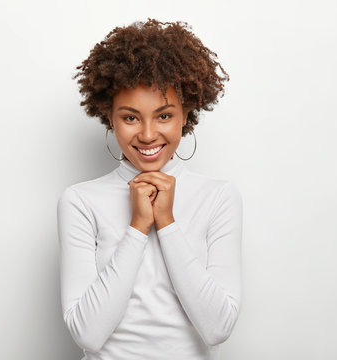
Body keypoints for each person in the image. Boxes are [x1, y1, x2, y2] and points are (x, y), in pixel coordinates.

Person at [57, 19, 243, 360]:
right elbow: (88, 335)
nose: (146, 134)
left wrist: (167, 223)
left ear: (185, 114)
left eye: (163, 116)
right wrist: (138, 227)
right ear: (108, 117)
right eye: (130, 118)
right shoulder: (81, 202)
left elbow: (217, 328)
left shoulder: (218, 197)